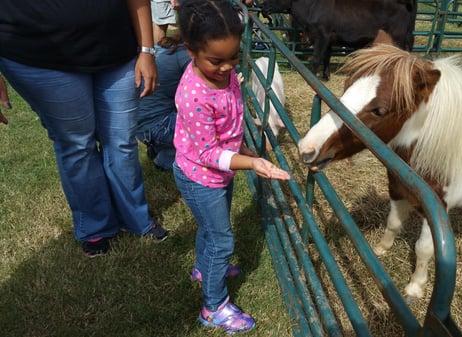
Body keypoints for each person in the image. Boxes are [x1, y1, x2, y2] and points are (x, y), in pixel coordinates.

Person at [0, 0, 169, 257]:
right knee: (77, 144)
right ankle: (96, 226)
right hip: (37, 56)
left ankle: (136, 218)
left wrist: (147, 49)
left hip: (118, 49)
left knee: (122, 140)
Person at [173, 0, 290, 334]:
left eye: (233, 57)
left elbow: (230, 123)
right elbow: (210, 152)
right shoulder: (194, 96)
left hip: (217, 172)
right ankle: (214, 307)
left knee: (211, 231)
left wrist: (243, 149)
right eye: (216, 60)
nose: (226, 67)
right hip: (201, 176)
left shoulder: (224, 76)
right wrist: (252, 161)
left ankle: (203, 268)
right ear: (191, 50)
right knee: (222, 241)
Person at [137, 34, 191, 171]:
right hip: (159, 126)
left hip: (140, 126)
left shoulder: (166, 47)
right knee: (204, 125)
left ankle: (160, 148)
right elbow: (200, 98)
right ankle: (168, 158)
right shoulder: (186, 56)